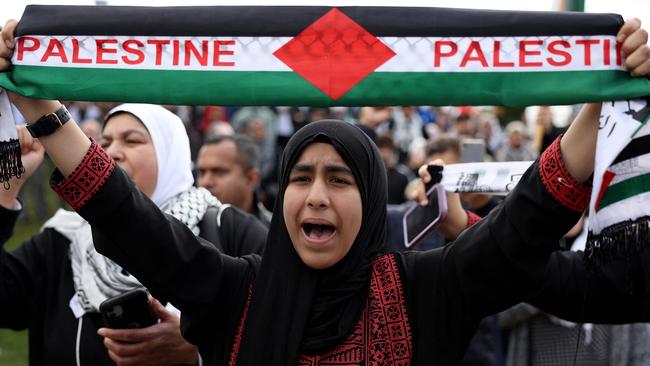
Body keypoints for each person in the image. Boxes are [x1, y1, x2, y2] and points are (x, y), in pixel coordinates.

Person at [2, 17, 650, 366]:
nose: (315, 197)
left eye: (339, 179)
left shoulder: (428, 288)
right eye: (301, 178)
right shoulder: (234, 292)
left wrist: (604, 97)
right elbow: (127, 216)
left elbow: (521, 229)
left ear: (371, 201)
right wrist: (38, 104)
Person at [0, 103, 267, 365]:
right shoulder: (63, 239)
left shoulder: (229, 230)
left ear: (169, 153)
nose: (111, 152)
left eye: (132, 141)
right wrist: (6, 189)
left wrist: (198, 352)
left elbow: (276, 334)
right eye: (102, 143)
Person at [197, 134, 272, 227]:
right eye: (201, 172)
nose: (205, 182)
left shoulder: (278, 233)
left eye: (218, 172)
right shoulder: (185, 230)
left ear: (251, 179)